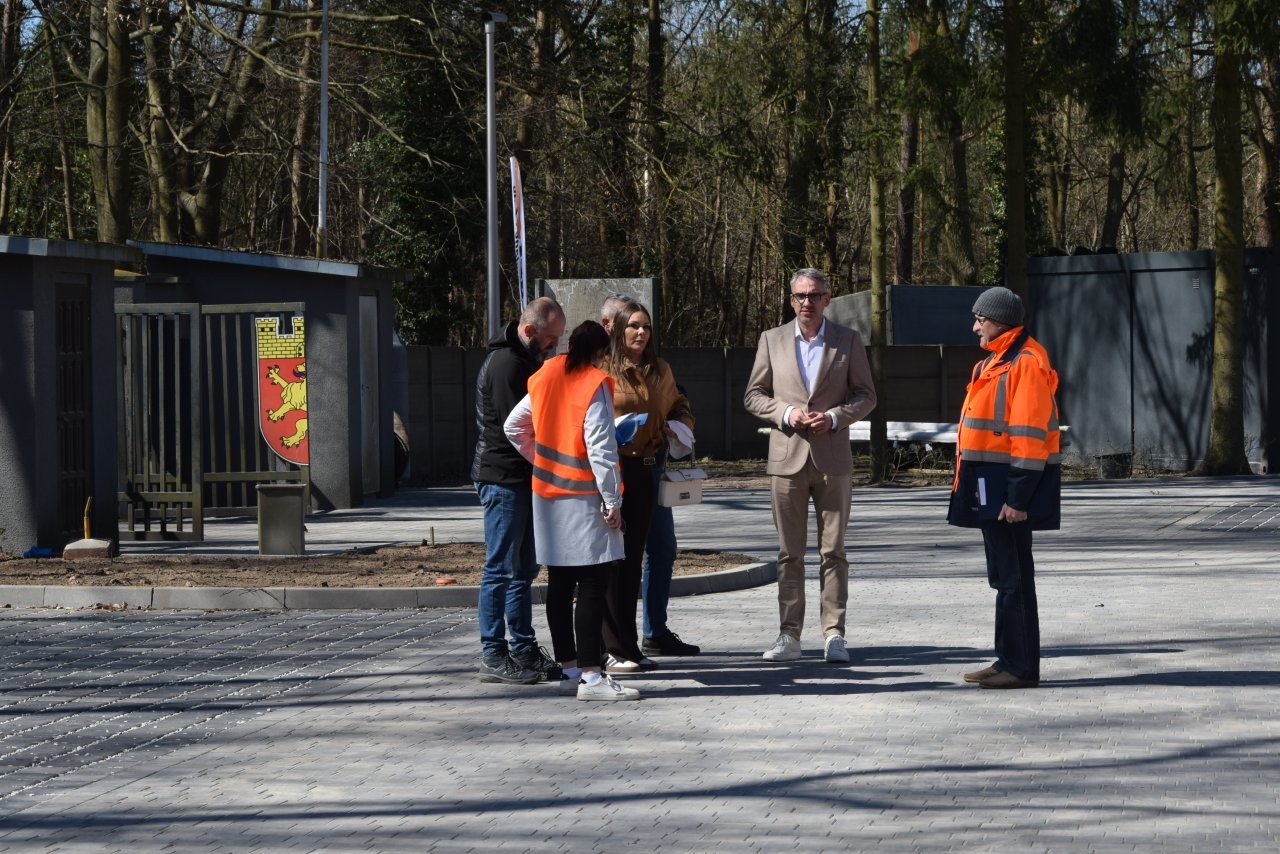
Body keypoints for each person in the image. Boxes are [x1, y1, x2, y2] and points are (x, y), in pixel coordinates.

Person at [743, 268, 877, 664]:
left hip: (833, 460)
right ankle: (789, 635)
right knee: (790, 554)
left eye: (815, 295)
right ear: (791, 300)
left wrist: (835, 417)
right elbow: (753, 395)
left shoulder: (848, 341)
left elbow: (867, 395)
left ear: (827, 299)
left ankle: (834, 633)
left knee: (833, 551)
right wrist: (785, 413)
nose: (807, 302)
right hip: (787, 459)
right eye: (800, 295)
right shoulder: (772, 340)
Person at [504, 320, 639, 701]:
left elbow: (515, 427)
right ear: (602, 352)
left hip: (547, 497)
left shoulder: (545, 374)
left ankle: (570, 670)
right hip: (584, 498)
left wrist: (541, 461)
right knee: (593, 583)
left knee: (560, 584)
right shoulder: (594, 382)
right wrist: (613, 501)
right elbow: (601, 447)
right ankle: (593, 678)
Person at [947, 286, 1061, 690]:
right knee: (1004, 578)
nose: (974, 325)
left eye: (981, 318)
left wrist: (1018, 497)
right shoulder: (997, 361)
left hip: (1007, 490)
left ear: (999, 322)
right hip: (988, 484)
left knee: (1013, 579)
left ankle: (1021, 667)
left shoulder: (1025, 363)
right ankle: (1008, 659)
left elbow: (1029, 438)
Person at [471, 297, 566, 685]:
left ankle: (523, 648)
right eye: (550, 339)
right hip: (503, 478)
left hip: (522, 477)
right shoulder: (508, 364)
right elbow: (522, 427)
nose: (554, 347)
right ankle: (493, 652)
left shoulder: (525, 358)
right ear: (530, 331)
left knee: (524, 568)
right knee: (500, 567)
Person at [599, 295, 700, 658]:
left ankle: (654, 631)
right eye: (634, 326)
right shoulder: (602, 368)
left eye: (646, 326)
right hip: (616, 469)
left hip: (652, 469)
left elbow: (679, 403)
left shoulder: (661, 369)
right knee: (617, 558)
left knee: (662, 548)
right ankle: (612, 642)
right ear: (618, 328)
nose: (641, 332)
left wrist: (680, 425)